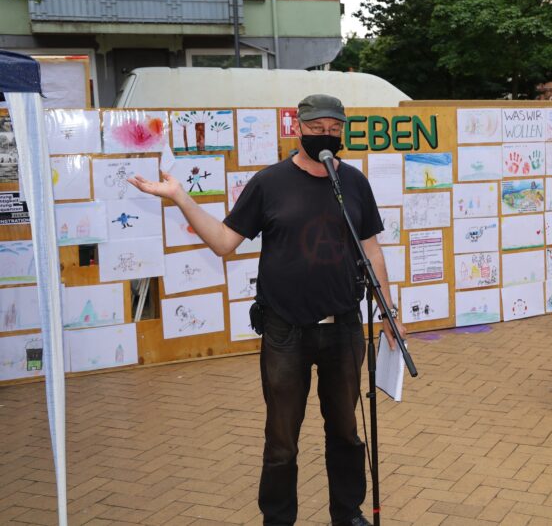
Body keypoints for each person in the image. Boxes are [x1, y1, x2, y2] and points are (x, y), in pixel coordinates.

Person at [128, 94, 406, 526]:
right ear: (299, 128)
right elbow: (223, 242)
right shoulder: (270, 182)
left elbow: (372, 250)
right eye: (317, 128)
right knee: (281, 439)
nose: (327, 135)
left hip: (344, 327)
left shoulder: (353, 182)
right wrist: (179, 196)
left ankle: (347, 514)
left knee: (348, 432)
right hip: (285, 331)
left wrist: (390, 312)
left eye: (335, 128)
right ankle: (278, 519)